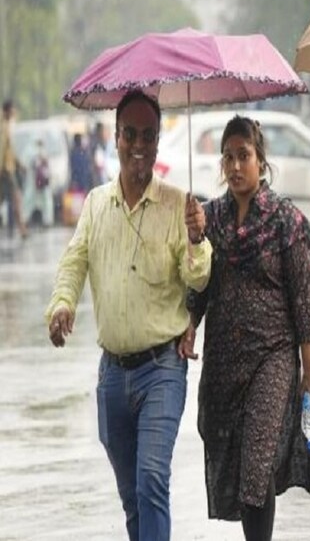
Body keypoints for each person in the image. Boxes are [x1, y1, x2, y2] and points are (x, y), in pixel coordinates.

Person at [44, 90, 211, 541]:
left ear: (158, 142)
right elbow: (74, 262)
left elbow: (197, 280)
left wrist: (197, 238)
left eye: (148, 136)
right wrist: (62, 304)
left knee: (151, 479)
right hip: (113, 376)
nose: (139, 145)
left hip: (163, 370)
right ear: (116, 138)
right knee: (132, 495)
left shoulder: (178, 206)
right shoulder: (96, 204)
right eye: (130, 134)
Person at [183, 115, 310, 541]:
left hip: (272, 359)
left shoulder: (285, 221)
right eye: (227, 157)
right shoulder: (211, 218)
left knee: (257, 464)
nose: (234, 165)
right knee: (239, 465)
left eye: (243, 155)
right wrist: (190, 324)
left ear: (260, 161)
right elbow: (200, 284)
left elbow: (303, 298)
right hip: (225, 364)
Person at [0, 99, 27, 238]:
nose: (14, 111)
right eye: (12, 109)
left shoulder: (7, 126)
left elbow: (9, 150)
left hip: (8, 168)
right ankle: (22, 229)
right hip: (6, 170)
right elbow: (2, 149)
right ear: (7, 110)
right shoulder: (4, 127)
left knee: (13, 198)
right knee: (16, 198)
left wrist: (19, 164)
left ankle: (22, 229)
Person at [30, 139, 54, 227]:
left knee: (43, 201)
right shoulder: (38, 154)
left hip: (41, 181)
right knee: (44, 201)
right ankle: (45, 219)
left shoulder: (40, 154)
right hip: (42, 181)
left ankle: (45, 220)